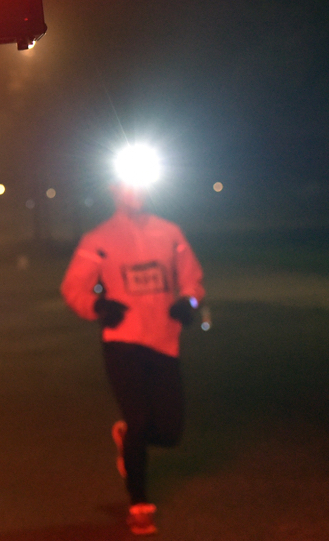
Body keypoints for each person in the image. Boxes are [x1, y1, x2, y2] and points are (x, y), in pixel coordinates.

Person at [61, 182, 205, 536]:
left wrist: (187, 303)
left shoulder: (171, 233)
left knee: (170, 433)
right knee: (139, 421)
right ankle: (139, 503)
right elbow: (73, 287)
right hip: (122, 341)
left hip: (163, 341)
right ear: (114, 191)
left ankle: (127, 439)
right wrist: (98, 305)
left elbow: (192, 282)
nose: (134, 193)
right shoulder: (98, 239)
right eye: (127, 187)